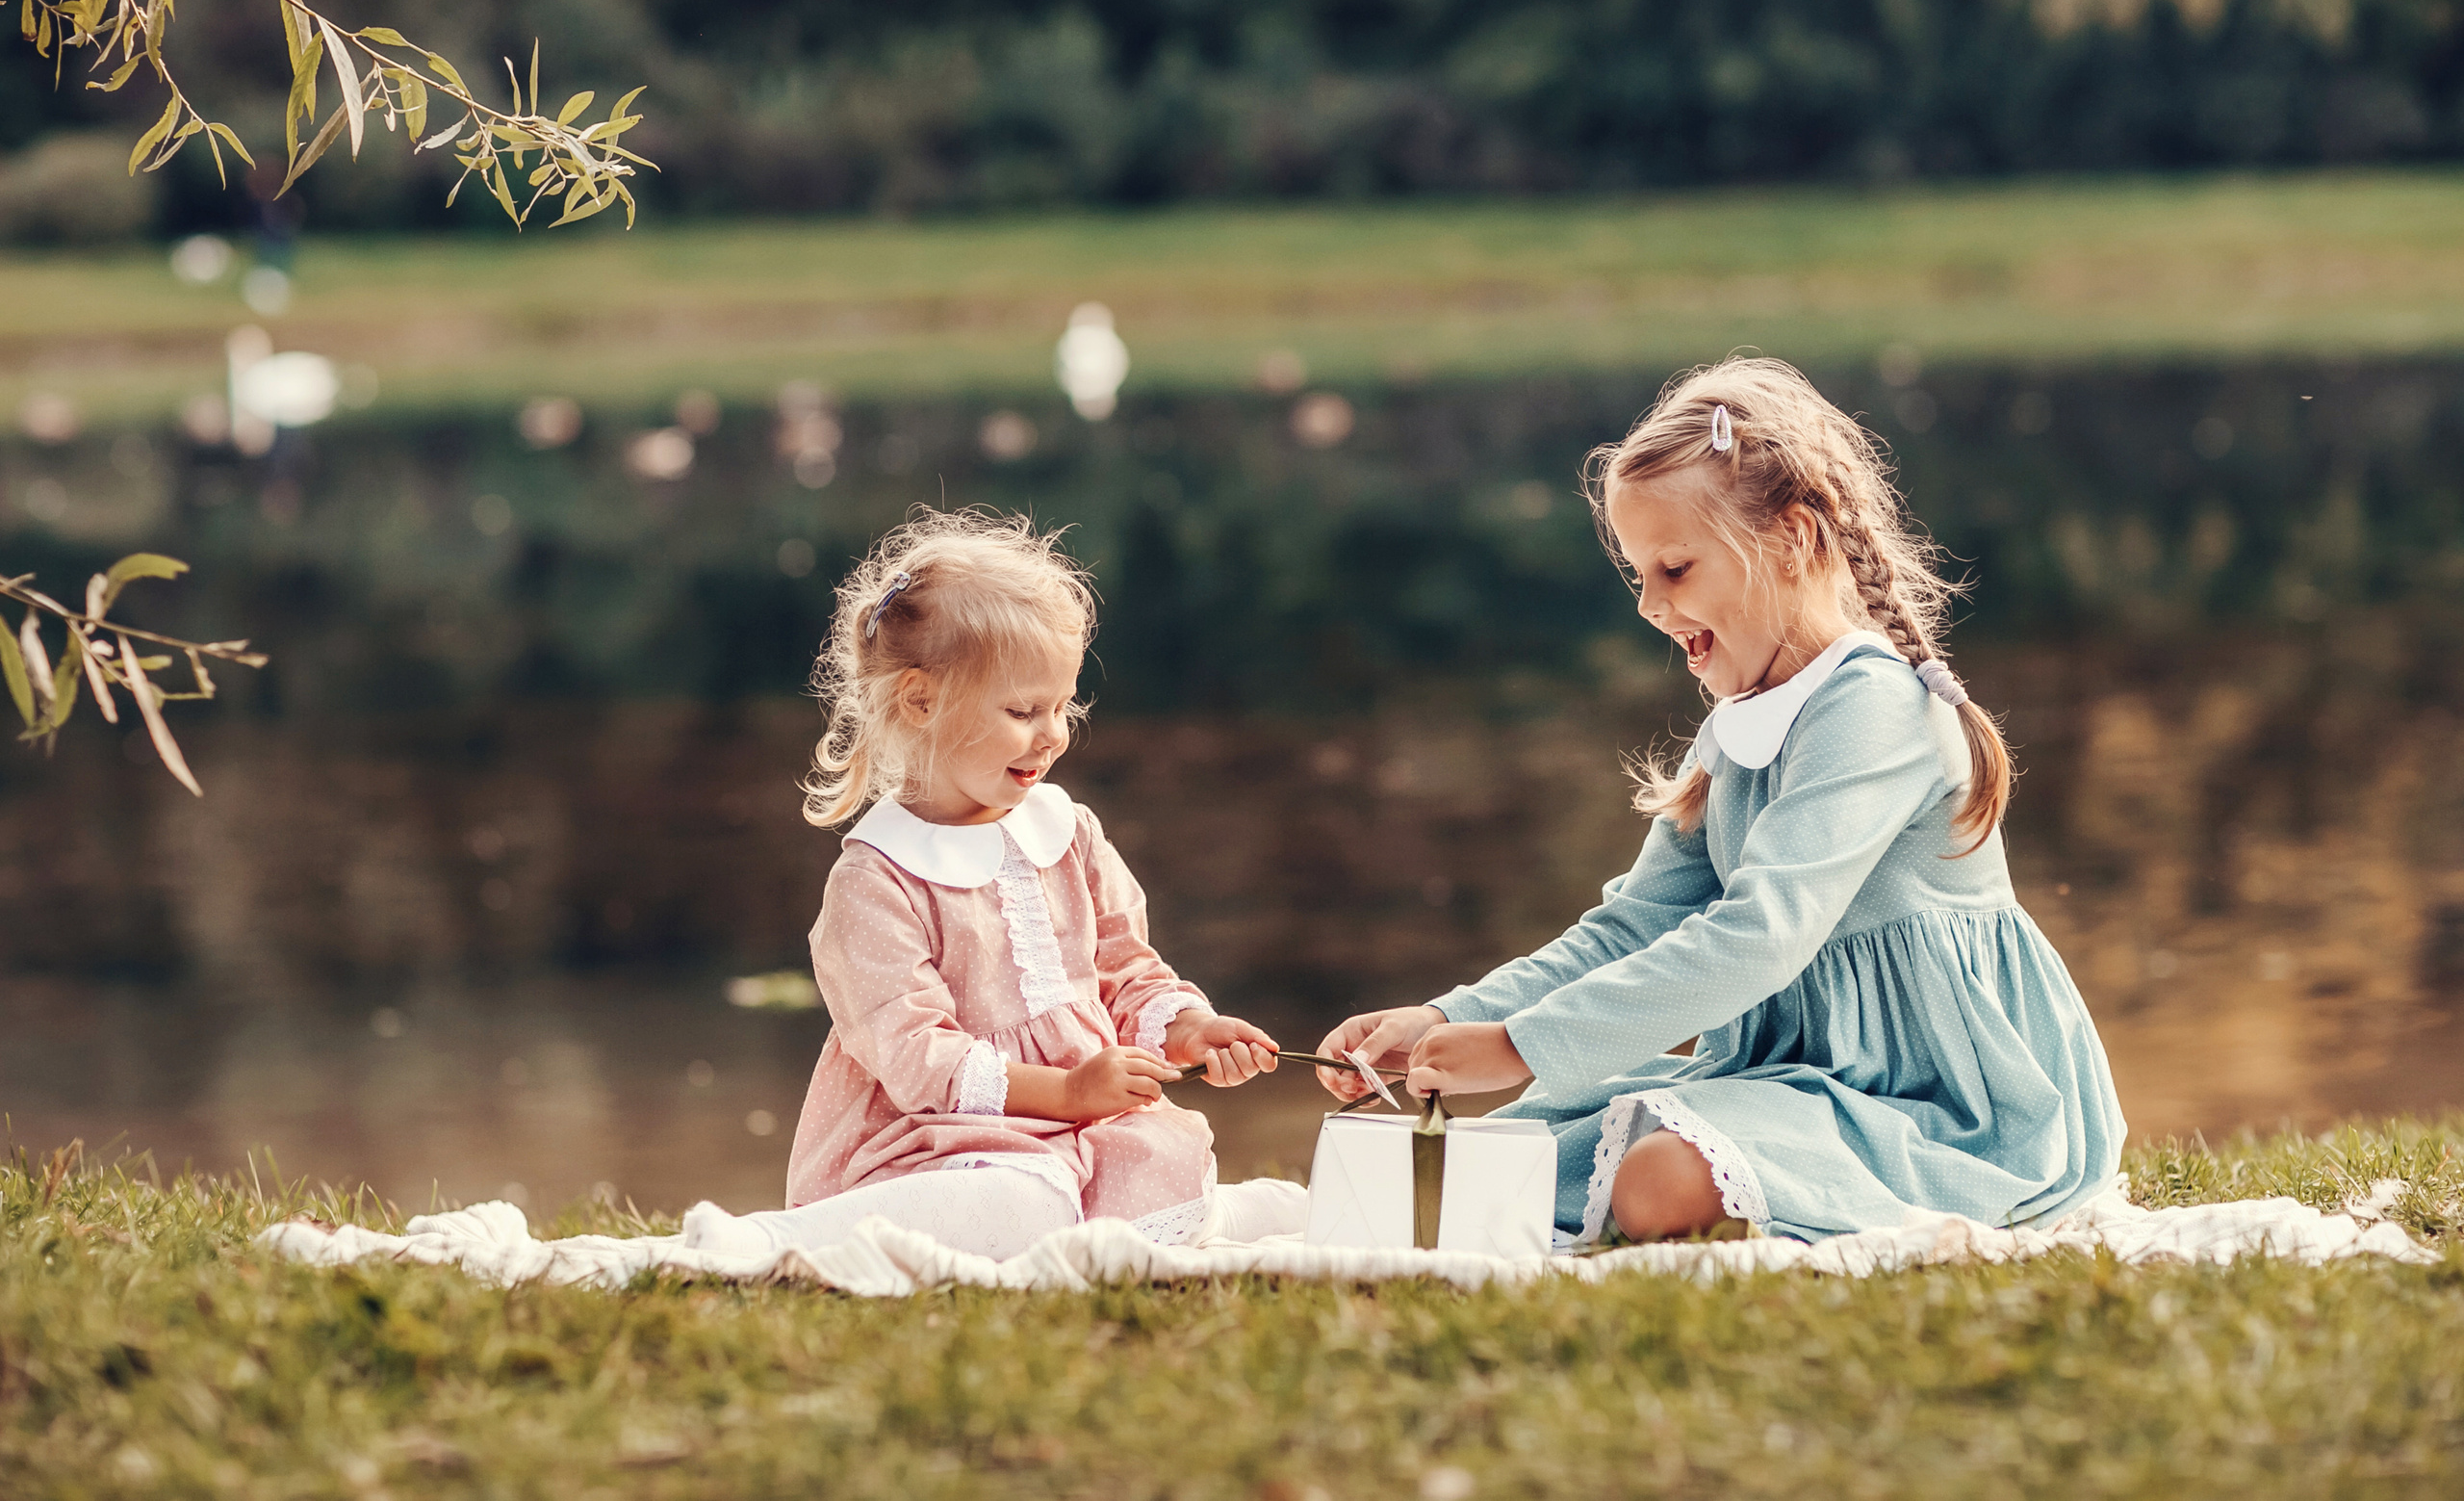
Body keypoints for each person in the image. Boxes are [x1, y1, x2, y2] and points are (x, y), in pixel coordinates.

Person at [1318, 357, 2125, 1245]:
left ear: (1791, 540)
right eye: (1638, 575)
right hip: (1794, 1077)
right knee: (1528, 1140)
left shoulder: (1871, 705)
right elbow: (1629, 929)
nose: (1650, 605)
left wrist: (1520, 1046)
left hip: (1943, 1102)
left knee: (1656, 1180)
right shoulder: (1739, 725)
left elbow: (1763, 932)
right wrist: (1453, 1018)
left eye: (1674, 567)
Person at [685, 508, 1305, 1262]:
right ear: (921, 701)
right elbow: (920, 1059)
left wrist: (1186, 1031)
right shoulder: (878, 880)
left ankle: (1251, 1213)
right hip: (936, 1139)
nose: (1053, 734)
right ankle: (770, 1241)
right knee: (1020, 1204)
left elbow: (1125, 971)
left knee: (1172, 1177)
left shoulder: (1066, 833)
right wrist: (1070, 1094)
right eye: (1023, 711)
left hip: (1075, 1129)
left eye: (1062, 706)